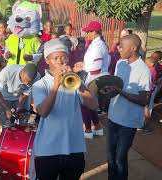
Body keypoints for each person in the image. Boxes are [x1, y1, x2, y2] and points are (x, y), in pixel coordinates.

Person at [31, 39, 98, 180]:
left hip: (74, 148)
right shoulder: (39, 85)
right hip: (48, 150)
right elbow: (43, 112)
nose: (61, 62)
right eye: (56, 58)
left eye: (64, 57)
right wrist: (56, 85)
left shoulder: (74, 81)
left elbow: (93, 105)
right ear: (47, 60)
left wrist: (79, 84)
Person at [104, 34, 151, 180]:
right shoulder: (120, 63)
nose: (119, 48)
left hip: (128, 123)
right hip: (113, 118)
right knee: (111, 157)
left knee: (120, 158)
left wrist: (120, 92)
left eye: (122, 46)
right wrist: (108, 91)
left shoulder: (144, 70)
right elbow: (117, 87)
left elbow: (144, 99)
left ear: (134, 48)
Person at [74, 21, 109, 139]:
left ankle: (88, 131)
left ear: (95, 32)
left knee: (85, 103)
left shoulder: (98, 45)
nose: (86, 33)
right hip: (95, 77)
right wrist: (83, 63)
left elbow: (97, 66)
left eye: (88, 31)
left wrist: (82, 67)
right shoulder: (97, 44)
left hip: (95, 78)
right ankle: (98, 128)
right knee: (91, 104)